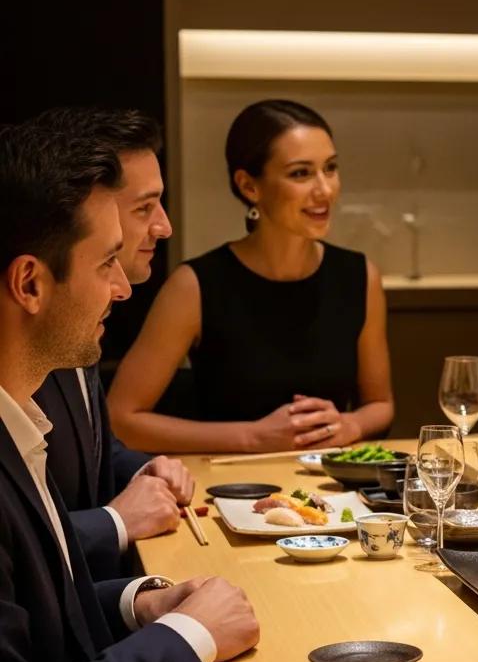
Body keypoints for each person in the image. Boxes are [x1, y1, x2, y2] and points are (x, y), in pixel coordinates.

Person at [0, 120, 259, 662]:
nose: (122, 288)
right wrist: (187, 636)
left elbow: (35, 618)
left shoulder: (19, 422)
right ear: (30, 284)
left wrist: (139, 605)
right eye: (106, 263)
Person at [107, 99, 394, 453]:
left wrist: (350, 425)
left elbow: (381, 404)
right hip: (228, 481)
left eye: (330, 168)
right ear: (248, 186)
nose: (325, 189)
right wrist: (254, 437)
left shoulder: (360, 276)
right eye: (301, 173)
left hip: (328, 479)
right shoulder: (195, 285)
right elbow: (121, 417)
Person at [32, 108, 194, 580]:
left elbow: (95, 452)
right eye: (144, 208)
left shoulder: (84, 317)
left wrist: (144, 471)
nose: (164, 227)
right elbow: (20, 543)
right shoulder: (41, 329)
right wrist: (115, 521)